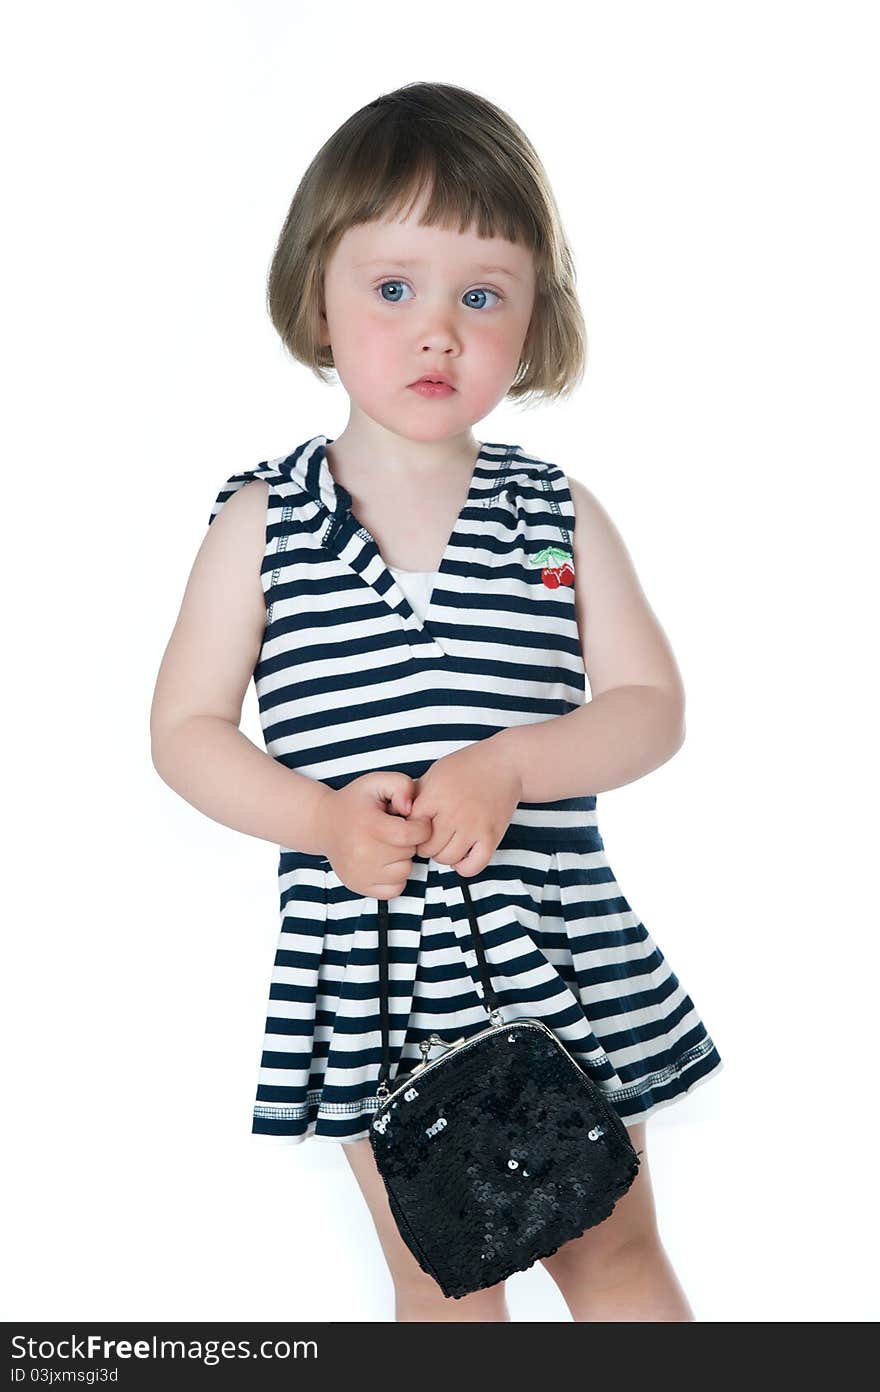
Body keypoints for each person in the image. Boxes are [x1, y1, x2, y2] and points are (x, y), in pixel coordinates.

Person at [150, 81, 723, 1323]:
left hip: (551, 951)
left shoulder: (554, 516)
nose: (437, 333)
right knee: (440, 1276)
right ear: (318, 295)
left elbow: (647, 704)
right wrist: (321, 822)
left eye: (482, 295)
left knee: (613, 1249)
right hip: (375, 980)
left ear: (531, 322)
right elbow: (185, 733)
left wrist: (514, 761)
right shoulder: (262, 522)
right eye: (394, 288)